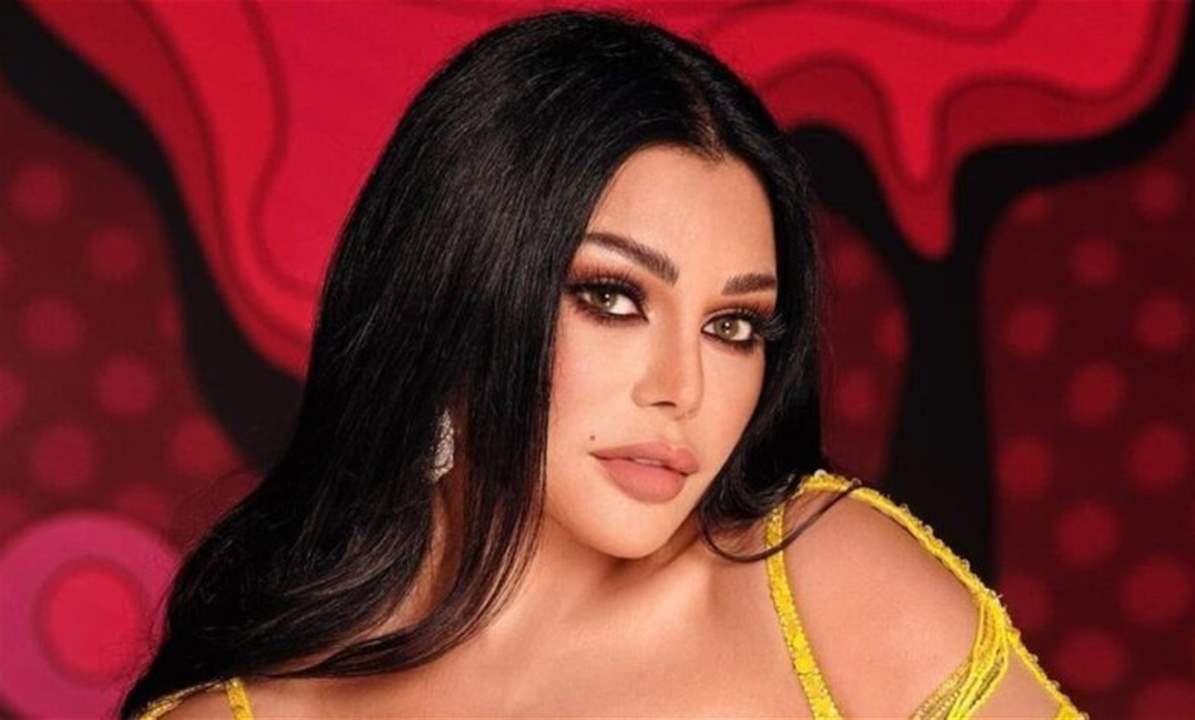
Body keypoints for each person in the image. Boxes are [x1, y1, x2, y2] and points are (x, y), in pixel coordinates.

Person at [122, 8, 1085, 719]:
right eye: (612, 298)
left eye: (732, 325)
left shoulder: (822, 586)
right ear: (455, 295)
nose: (682, 389)